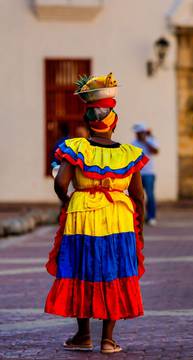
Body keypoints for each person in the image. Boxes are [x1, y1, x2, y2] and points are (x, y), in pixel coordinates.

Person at [45, 73, 149, 354]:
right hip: (119, 216)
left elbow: (60, 183)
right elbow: (138, 194)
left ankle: (83, 334)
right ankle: (108, 339)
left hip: (83, 215)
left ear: (89, 121)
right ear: (113, 121)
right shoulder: (129, 153)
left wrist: (67, 201)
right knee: (113, 271)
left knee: (82, 269)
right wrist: (139, 219)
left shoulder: (75, 148)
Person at [132, 124, 159, 226]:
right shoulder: (133, 143)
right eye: (137, 133)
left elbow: (156, 151)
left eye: (139, 133)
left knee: (150, 196)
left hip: (149, 173)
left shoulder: (151, 141)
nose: (138, 135)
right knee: (137, 196)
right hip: (137, 173)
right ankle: (138, 217)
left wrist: (146, 141)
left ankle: (151, 217)